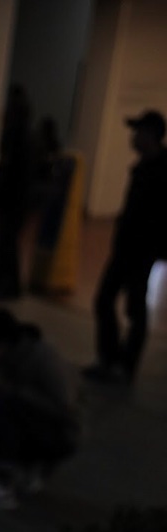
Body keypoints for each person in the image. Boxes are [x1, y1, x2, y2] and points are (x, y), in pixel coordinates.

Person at [0, 307, 80, 510]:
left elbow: (66, 410)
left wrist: (14, 392)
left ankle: (4, 486)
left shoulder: (44, 359)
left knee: (10, 402)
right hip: (31, 426)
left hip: (61, 435)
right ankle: (25, 468)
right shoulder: (7, 360)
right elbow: (2, 418)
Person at [84, 109, 167, 383]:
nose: (133, 137)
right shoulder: (143, 167)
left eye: (138, 131)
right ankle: (111, 360)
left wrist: (154, 248)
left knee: (133, 308)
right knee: (106, 300)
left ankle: (123, 366)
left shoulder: (160, 171)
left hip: (142, 250)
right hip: (126, 248)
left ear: (151, 135)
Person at [0, 84, 33, 299]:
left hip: (15, 199)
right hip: (13, 199)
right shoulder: (17, 137)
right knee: (3, 240)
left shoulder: (20, 140)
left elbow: (17, 173)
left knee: (7, 241)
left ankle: (10, 283)